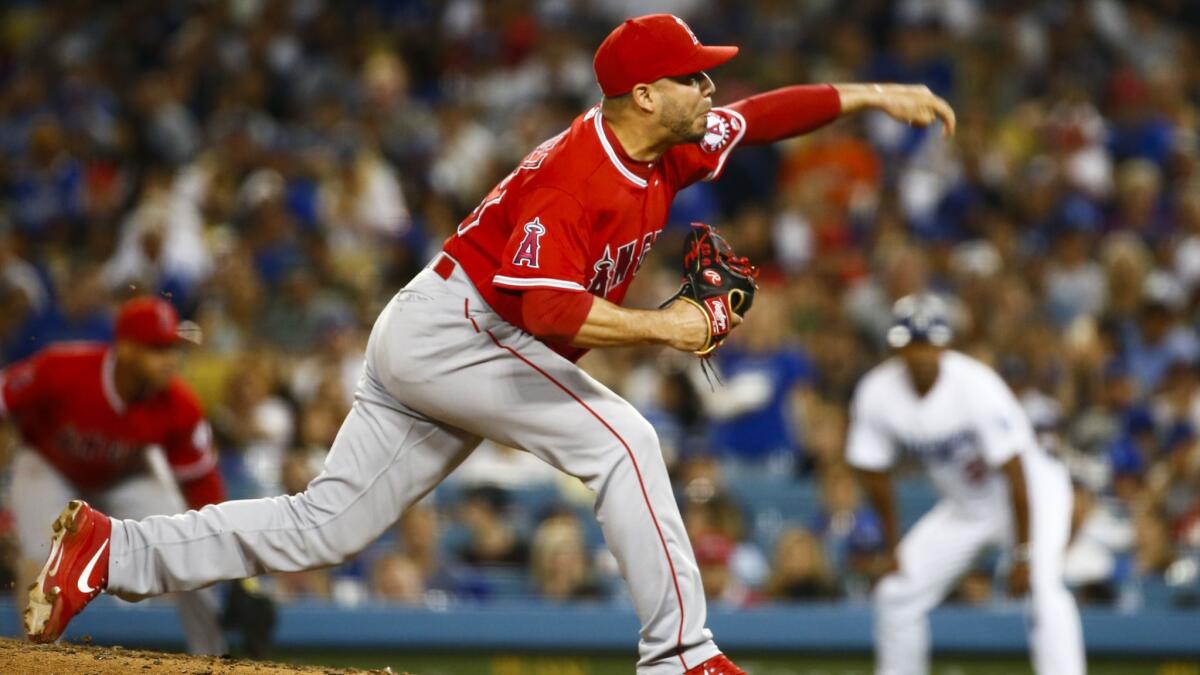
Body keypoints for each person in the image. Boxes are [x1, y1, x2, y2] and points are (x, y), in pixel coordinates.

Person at [26, 15, 954, 675]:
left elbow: (760, 116)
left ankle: (111, 552)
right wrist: (670, 328)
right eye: (694, 75)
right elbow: (545, 315)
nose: (710, 88)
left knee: (328, 524)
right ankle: (682, 656)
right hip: (462, 331)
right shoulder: (575, 174)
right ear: (644, 93)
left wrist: (869, 94)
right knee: (623, 438)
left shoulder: (669, 139)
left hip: (447, 335)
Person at [846, 294, 1084, 675]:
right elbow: (874, 474)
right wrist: (893, 547)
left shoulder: (976, 385)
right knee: (896, 592)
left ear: (945, 344)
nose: (921, 354)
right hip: (968, 508)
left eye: (929, 344)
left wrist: (1023, 553)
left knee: (1043, 586)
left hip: (1033, 496)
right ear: (895, 347)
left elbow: (1016, 472)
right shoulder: (877, 393)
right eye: (912, 344)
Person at [4, 296, 226, 654]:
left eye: (172, 348)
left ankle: (215, 657)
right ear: (125, 348)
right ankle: (40, 660)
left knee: (188, 545)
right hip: (49, 467)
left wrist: (228, 558)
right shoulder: (63, 368)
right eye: (157, 349)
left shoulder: (179, 404)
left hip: (126, 476)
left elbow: (202, 484)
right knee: (43, 559)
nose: (170, 360)